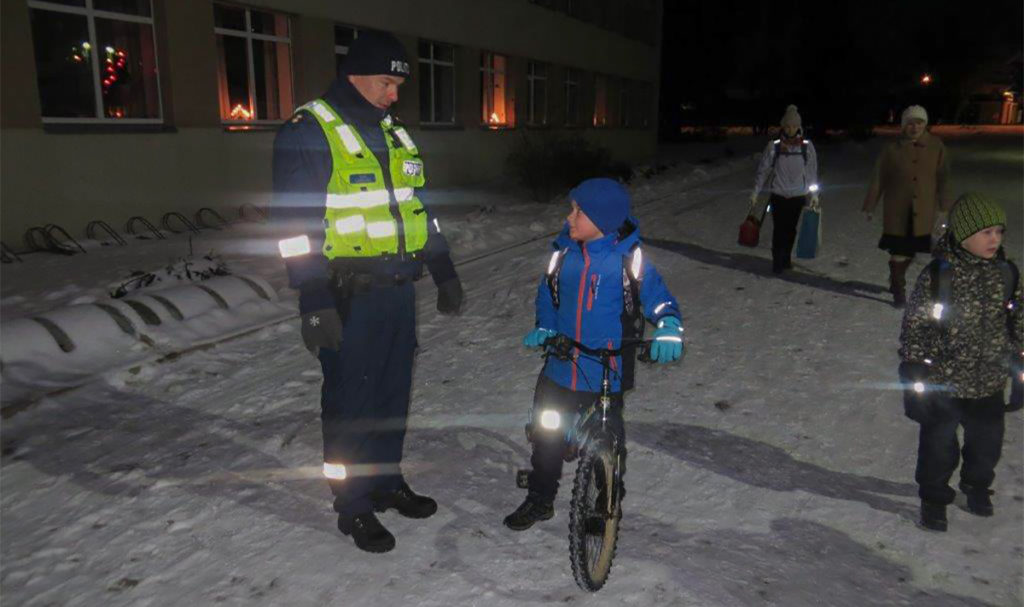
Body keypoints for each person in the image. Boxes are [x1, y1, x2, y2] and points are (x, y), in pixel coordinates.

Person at [271, 31, 463, 553]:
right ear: (354, 75)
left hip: (398, 292)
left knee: (390, 395)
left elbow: (417, 206)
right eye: (387, 82)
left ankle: (384, 480)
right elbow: (293, 227)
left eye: (399, 84)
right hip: (345, 296)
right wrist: (312, 299)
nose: (394, 94)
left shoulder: (394, 133)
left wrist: (442, 267)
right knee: (350, 403)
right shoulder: (309, 130)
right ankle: (351, 504)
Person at [503, 178, 683, 530]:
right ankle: (540, 497)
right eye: (571, 209)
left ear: (602, 221)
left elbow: (660, 300)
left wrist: (669, 327)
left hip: (607, 368)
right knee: (547, 434)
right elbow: (548, 297)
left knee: (608, 437)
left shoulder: (630, 261)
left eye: (578, 212)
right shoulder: (563, 255)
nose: (569, 218)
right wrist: (546, 328)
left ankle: (606, 499)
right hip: (561, 364)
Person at [898, 193, 1021, 532]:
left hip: (989, 382)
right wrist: (912, 371)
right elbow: (916, 325)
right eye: (986, 232)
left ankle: (976, 486)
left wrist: (1020, 370)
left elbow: (1018, 323)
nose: (994, 239)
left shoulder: (1006, 274)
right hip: (945, 382)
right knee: (938, 448)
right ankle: (934, 498)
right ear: (963, 235)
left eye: (999, 231)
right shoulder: (939, 276)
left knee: (987, 447)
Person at [863, 105, 951, 307]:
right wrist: (870, 205)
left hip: (923, 209)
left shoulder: (936, 146)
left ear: (925, 125)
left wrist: (944, 207)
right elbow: (878, 178)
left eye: (919, 123)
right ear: (903, 126)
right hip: (896, 209)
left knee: (911, 251)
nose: (914, 127)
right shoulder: (891, 149)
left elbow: (944, 178)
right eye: (910, 123)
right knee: (898, 250)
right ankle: (899, 290)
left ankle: (895, 278)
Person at [749, 104, 820, 274]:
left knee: (791, 229)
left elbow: (812, 172)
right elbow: (763, 170)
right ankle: (777, 262)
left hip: (798, 196)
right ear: (783, 126)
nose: (790, 129)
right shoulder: (773, 146)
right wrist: (755, 191)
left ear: (799, 126)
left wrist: (814, 194)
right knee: (779, 229)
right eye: (787, 126)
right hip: (778, 196)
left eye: (794, 126)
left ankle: (786, 258)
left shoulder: (806, 147)